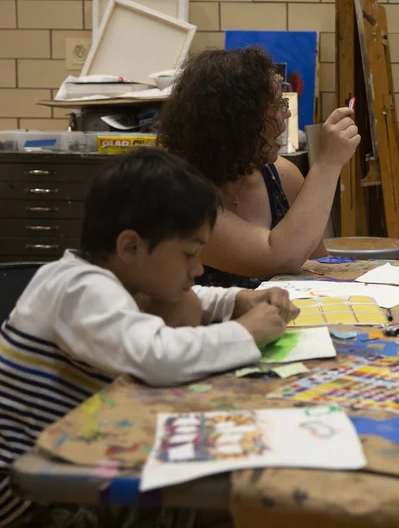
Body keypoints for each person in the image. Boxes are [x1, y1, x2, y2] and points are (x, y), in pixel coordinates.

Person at [0, 149, 295, 527]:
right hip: (26, 501)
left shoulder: (105, 278)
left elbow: (183, 295)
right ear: (131, 247)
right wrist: (245, 332)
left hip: (57, 471)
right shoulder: (79, 289)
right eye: (189, 254)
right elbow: (157, 355)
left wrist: (239, 299)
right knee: (229, 505)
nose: (199, 268)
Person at [157, 47, 361, 289]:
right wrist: (327, 163)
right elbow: (279, 257)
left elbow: (315, 267)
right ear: (237, 120)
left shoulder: (282, 176)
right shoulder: (181, 197)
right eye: (276, 105)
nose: (286, 114)